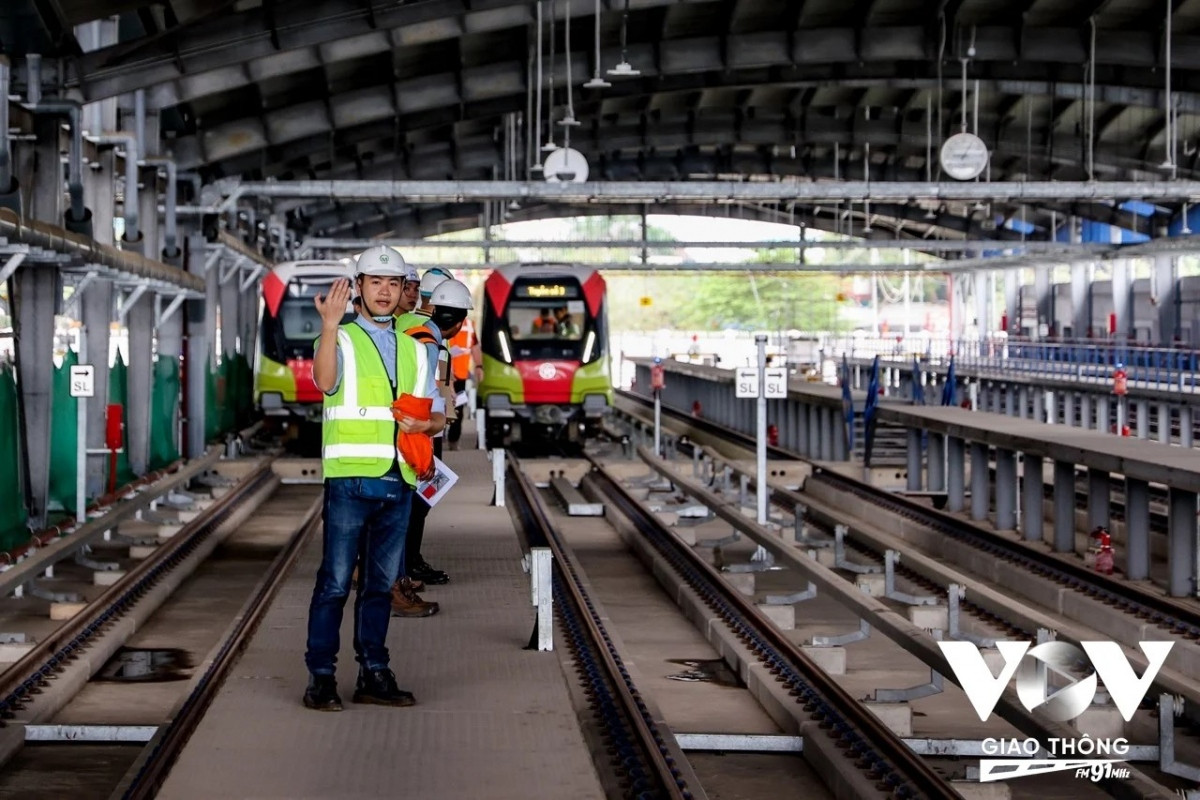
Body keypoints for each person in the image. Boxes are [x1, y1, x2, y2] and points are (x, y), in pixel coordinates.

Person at [302, 245, 445, 712]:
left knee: (381, 587)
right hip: (350, 480)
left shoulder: (417, 349)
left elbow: (437, 414)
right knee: (336, 584)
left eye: (393, 284)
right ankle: (321, 678)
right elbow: (324, 383)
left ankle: (374, 671)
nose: (385, 292)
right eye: (375, 283)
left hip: (398, 481)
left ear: (403, 290)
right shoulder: (339, 339)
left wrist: (427, 427)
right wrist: (328, 325)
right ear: (359, 288)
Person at [395, 276, 469, 592]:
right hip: (415, 432)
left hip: (404, 428)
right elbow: (424, 395)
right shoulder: (427, 342)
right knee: (412, 503)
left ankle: (405, 566)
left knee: (408, 503)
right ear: (460, 323)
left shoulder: (411, 330)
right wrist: (431, 429)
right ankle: (402, 572)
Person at [446, 314, 482, 450]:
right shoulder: (446, 321)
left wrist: (479, 366)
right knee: (444, 409)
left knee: (457, 411)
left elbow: (475, 347)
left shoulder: (469, 326)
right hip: (445, 374)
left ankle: (453, 442)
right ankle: (442, 438)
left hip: (460, 375)